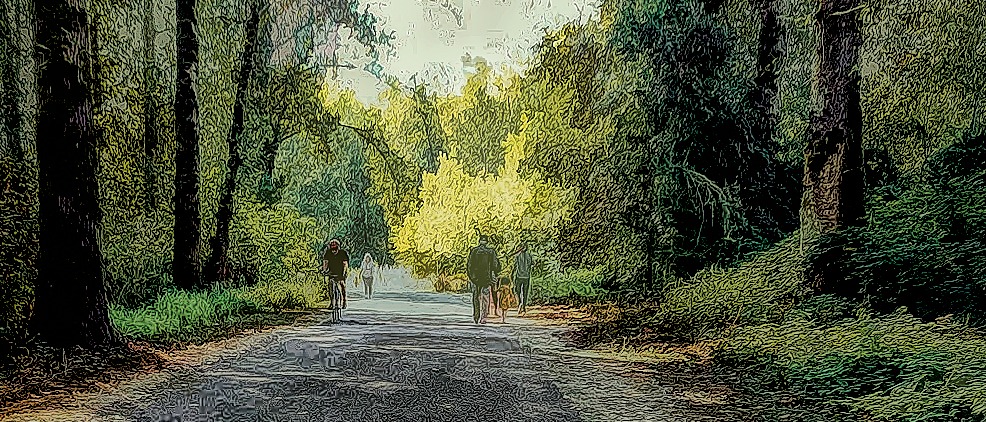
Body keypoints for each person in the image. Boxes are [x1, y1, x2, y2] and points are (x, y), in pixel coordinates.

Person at [467, 234, 500, 324]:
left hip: (475, 278)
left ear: (479, 241)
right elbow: (495, 266)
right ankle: (483, 316)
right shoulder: (491, 252)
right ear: (487, 242)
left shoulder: (474, 251)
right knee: (485, 297)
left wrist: (472, 277)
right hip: (486, 278)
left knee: (475, 297)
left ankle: (476, 315)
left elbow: (470, 265)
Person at [321, 238, 349, 323]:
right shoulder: (328, 253)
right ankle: (331, 302)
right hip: (331, 272)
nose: (333, 250)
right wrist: (324, 270)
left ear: (338, 247)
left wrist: (344, 273)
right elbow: (325, 263)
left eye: (335, 248)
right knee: (330, 286)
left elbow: (345, 264)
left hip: (340, 272)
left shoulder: (342, 253)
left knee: (342, 285)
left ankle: (344, 300)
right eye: (332, 248)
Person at [512, 242, 533, 315]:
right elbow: (532, 264)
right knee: (525, 293)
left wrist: (512, 274)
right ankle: (523, 307)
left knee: (516, 291)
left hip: (518, 276)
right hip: (526, 277)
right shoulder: (529, 256)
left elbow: (514, 266)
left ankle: (520, 303)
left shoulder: (517, 256)